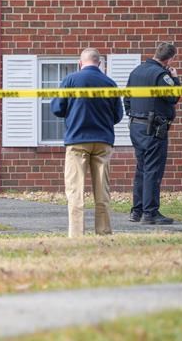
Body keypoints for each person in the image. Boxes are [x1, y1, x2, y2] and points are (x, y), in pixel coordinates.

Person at [51, 48, 124, 238]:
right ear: (99, 63)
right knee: (102, 192)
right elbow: (118, 115)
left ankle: (77, 235)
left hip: (77, 141)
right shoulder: (110, 83)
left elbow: (57, 109)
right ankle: (104, 232)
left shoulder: (70, 80)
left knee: (75, 190)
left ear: (80, 63)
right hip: (103, 141)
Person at [124, 42, 180, 225]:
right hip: (153, 129)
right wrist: (175, 79)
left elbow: (127, 98)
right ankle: (150, 213)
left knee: (141, 168)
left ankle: (137, 211)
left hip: (136, 127)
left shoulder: (136, 71)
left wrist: (134, 116)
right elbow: (173, 97)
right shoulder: (161, 74)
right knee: (152, 170)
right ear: (169, 59)